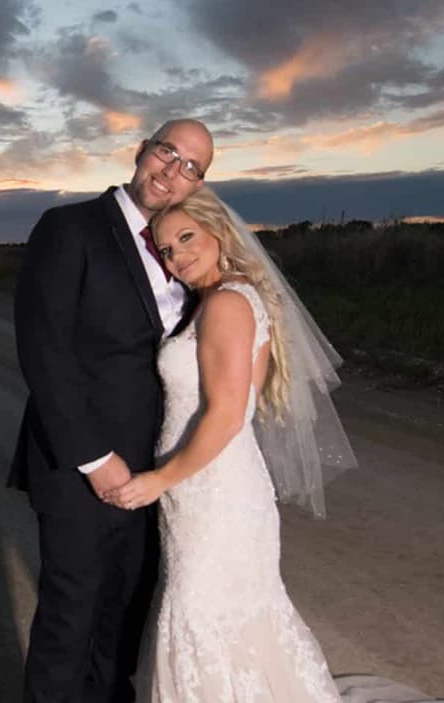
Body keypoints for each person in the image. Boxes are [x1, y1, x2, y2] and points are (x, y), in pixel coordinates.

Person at [101, 186, 358, 701]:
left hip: (216, 493)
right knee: (214, 616)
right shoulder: (216, 301)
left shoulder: (226, 304)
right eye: (167, 250)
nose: (178, 256)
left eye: (187, 237)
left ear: (218, 231)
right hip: (198, 490)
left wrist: (158, 480)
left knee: (203, 615)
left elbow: (227, 416)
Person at [9, 118, 213, 703]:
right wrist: (96, 461)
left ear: (197, 186)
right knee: (72, 615)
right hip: (81, 465)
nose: (173, 172)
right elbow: (44, 350)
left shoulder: (187, 247)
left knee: (124, 616)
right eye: (168, 152)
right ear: (142, 151)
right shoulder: (68, 228)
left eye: (191, 168)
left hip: (157, 469)